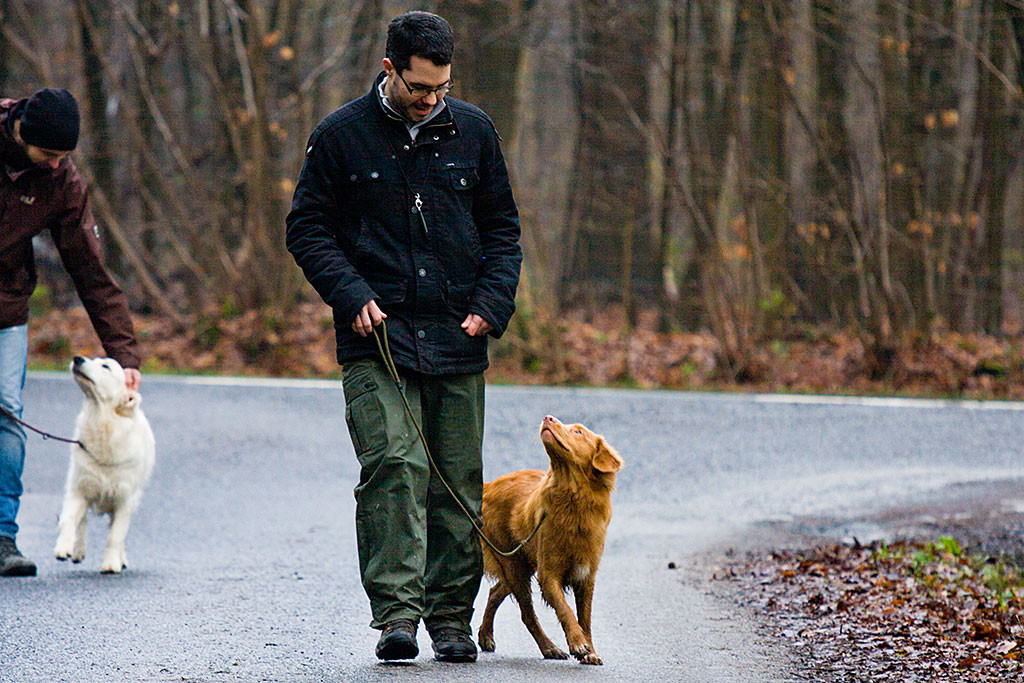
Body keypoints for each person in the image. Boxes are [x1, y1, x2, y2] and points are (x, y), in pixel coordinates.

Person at [286, 11, 521, 663]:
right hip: (376, 337)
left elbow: (502, 228)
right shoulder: (340, 137)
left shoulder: (473, 131)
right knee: (394, 463)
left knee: (454, 480)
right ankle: (396, 613)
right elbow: (307, 228)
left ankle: (451, 617)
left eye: (442, 87)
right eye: (420, 87)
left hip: (458, 336)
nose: (431, 99)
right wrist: (350, 291)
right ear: (389, 69)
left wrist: (491, 303)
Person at [0, 88, 141, 577]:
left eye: (66, 156)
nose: (59, 164)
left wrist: (125, 358)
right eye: (50, 153)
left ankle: (3, 537)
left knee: (7, 412)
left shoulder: (63, 183)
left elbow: (92, 273)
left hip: (6, 305)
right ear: (20, 133)